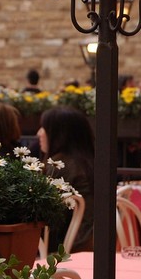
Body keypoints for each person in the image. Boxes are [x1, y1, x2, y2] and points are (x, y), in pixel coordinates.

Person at [38, 106, 95, 253]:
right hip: (93, 241)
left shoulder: (60, 165)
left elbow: (47, 218)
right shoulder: (90, 162)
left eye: (43, 128)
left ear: (59, 134)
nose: (39, 133)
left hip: (72, 247)